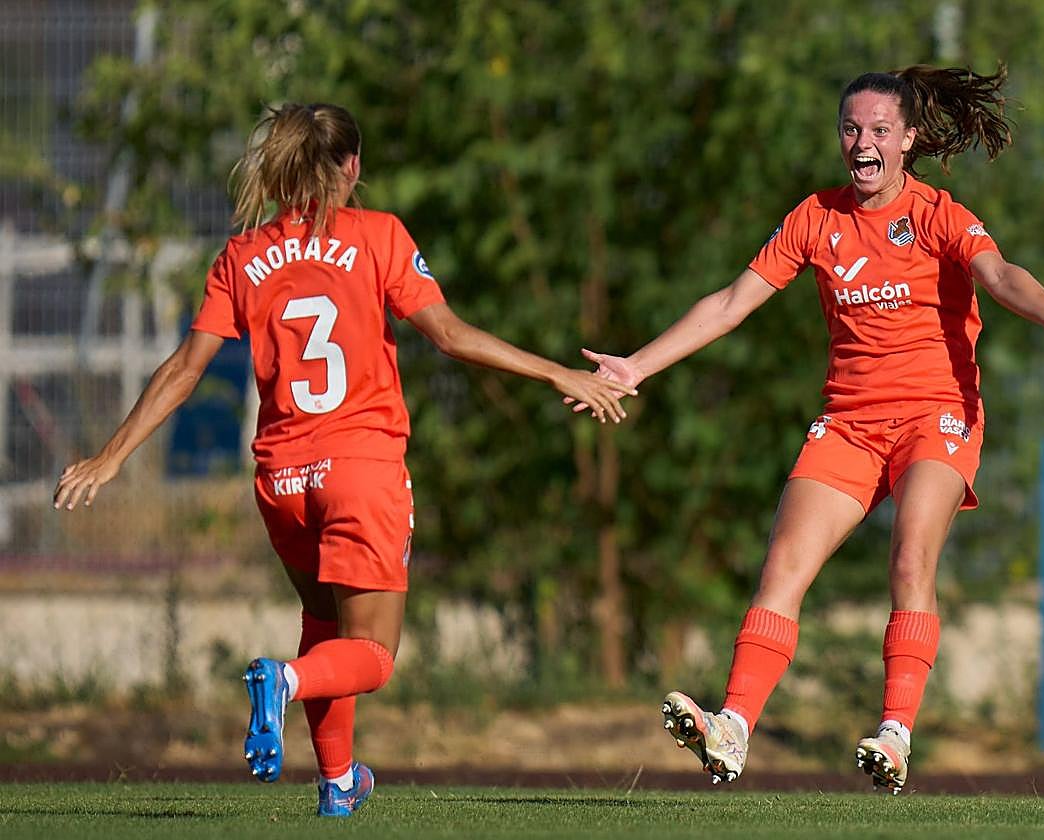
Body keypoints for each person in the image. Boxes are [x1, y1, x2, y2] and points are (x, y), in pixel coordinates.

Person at [53, 102, 635, 817]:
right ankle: (285, 682)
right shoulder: (379, 235)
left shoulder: (242, 256)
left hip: (281, 479)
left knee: (325, 621)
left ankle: (336, 783)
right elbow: (449, 335)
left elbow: (183, 369)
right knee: (374, 655)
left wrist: (110, 457)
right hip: (360, 469)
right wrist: (557, 373)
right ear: (352, 166)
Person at [576, 66, 1044, 794]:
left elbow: (999, 273)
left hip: (936, 416)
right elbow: (730, 303)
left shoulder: (940, 214)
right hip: (850, 422)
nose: (863, 143)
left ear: (908, 139)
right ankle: (732, 727)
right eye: (851, 129)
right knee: (784, 564)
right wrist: (637, 365)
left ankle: (895, 734)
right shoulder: (815, 218)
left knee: (910, 560)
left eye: (879, 130)